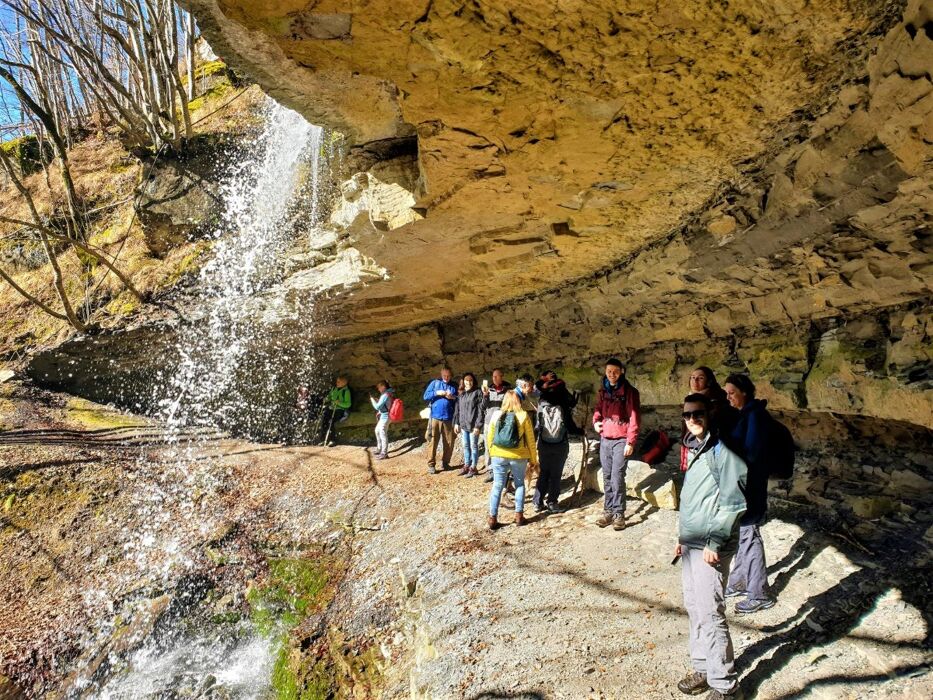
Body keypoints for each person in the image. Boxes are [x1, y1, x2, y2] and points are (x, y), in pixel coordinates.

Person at [675, 393, 747, 700]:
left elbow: (734, 502)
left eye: (698, 414)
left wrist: (715, 540)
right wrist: (682, 538)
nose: (692, 419)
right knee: (695, 608)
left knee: (710, 612)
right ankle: (704, 668)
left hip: (710, 545)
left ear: (709, 414)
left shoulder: (722, 450)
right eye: (687, 415)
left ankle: (726, 686)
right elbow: (695, 500)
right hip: (692, 543)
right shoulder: (695, 448)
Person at [722, 373, 774, 615]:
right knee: (743, 533)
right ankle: (740, 581)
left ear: (744, 392)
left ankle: (759, 594)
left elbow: (751, 454)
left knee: (750, 535)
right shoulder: (747, 414)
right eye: (726, 393)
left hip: (750, 487)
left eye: (732, 393)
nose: (728, 397)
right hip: (744, 485)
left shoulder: (755, 416)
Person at [592, 358, 640, 530]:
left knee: (617, 477)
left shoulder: (630, 392)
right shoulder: (603, 390)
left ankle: (619, 514)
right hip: (605, 439)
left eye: (615, 371)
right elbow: (598, 409)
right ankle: (608, 511)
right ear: (605, 372)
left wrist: (630, 442)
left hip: (621, 440)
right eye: (609, 371)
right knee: (607, 477)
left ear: (621, 372)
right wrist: (596, 422)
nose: (612, 374)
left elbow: (634, 418)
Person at [486, 390, 538, 530]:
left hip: (498, 455)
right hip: (518, 456)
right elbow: (530, 440)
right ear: (518, 401)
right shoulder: (523, 415)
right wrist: (533, 459)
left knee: (497, 485)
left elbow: (490, 435)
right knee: (519, 484)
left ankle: (492, 518)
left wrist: (491, 452)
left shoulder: (496, 414)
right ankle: (519, 516)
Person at [532, 370, 579, 513]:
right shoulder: (562, 399)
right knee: (556, 474)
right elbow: (570, 425)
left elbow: (537, 426)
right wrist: (580, 431)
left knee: (544, 473)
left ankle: (537, 502)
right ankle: (552, 502)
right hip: (560, 443)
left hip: (544, 443)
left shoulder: (541, 401)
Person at [679, 368, 735, 471]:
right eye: (692, 377)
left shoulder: (716, 401)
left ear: (709, 381)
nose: (695, 381)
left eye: (700, 378)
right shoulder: (691, 397)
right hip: (692, 443)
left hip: (709, 448)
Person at [423, 367, 458, 474]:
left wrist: (453, 397)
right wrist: (437, 392)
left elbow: (460, 399)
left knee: (449, 442)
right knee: (432, 441)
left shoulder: (454, 385)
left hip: (449, 418)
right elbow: (425, 396)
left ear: (451, 375)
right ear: (441, 374)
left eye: (448, 376)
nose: (446, 378)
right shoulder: (435, 383)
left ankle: (445, 463)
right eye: (444, 376)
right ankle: (431, 464)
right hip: (435, 417)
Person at [481, 369, 512, 481]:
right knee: (488, 446)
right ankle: (490, 470)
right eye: (493, 376)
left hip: (502, 423)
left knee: (502, 445)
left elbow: (510, 405)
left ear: (501, 376)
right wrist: (485, 395)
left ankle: (504, 470)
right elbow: (483, 406)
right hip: (489, 422)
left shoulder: (508, 390)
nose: (494, 378)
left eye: (496, 376)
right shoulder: (488, 389)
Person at [454, 372, 484, 477]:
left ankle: (473, 467)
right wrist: (456, 423)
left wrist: (478, 426)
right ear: (463, 381)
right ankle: (467, 465)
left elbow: (481, 411)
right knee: (466, 446)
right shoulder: (461, 393)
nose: (468, 382)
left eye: (470, 380)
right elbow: (457, 409)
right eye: (466, 380)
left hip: (473, 425)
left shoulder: (477, 392)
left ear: (473, 381)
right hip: (463, 425)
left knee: (473, 446)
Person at [318, 376, 352, 444]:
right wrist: (326, 399)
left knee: (331, 421)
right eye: (337, 381)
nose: (337, 383)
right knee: (324, 420)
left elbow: (348, 404)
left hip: (340, 410)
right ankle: (323, 439)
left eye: (339, 382)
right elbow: (329, 397)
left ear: (344, 383)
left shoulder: (346, 391)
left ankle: (332, 440)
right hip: (332, 408)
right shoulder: (334, 389)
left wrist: (338, 403)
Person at [369, 380, 394, 460]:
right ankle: (379, 449)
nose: (378, 389)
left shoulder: (385, 395)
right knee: (377, 430)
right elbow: (385, 404)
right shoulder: (388, 393)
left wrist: (372, 400)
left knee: (382, 433)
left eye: (379, 387)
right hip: (384, 415)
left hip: (386, 416)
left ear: (383, 386)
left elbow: (377, 407)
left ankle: (384, 453)